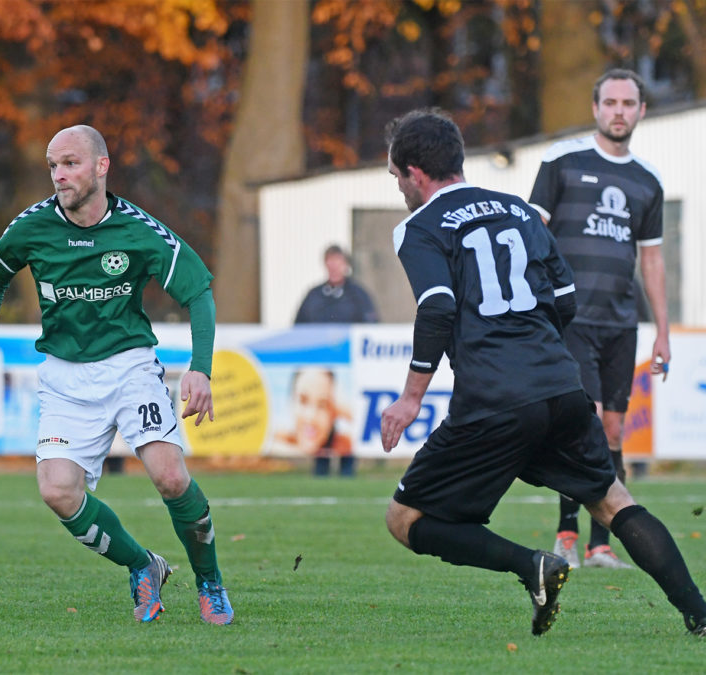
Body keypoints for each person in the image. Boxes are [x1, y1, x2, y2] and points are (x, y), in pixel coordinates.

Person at [380, 109, 706, 636]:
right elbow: (566, 297)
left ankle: (530, 565)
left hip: (493, 398)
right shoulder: (518, 210)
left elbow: (437, 306)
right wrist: (536, 349)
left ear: (416, 171)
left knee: (405, 519)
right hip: (560, 384)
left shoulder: (418, 226)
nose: (397, 187)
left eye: (396, 176)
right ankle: (701, 613)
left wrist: (411, 397)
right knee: (614, 501)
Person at [0, 125, 233, 625]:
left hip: (129, 366)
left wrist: (201, 369)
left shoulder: (138, 230)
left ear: (101, 166)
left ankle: (209, 582)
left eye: (70, 163)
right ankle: (142, 565)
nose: (59, 175)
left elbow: (198, 293)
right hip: (64, 376)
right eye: (52, 166)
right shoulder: (32, 226)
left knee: (170, 477)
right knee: (57, 491)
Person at [529, 68, 669, 570]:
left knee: (613, 430)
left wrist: (663, 334)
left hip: (621, 323)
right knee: (580, 424)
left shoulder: (647, 180)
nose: (618, 111)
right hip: (571, 318)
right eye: (610, 102)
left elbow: (651, 260)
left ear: (641, 111)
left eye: (628, 103)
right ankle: (567, 533)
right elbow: (532, 235)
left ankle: (600, 544)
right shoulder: (561, 161)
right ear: (595, 108)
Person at [272, 367, 355, 476]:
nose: (311, 417)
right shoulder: (278, 438)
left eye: (322, 405)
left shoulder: (345, 441)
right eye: (303, 401)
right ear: (290, 401)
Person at [294, 245, 379, 324]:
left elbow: (371, 326)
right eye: (330, 262)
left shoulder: (358, 296)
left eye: (338, 262)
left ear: (346, 265)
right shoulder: (313, 296)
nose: (334, 268)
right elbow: (298, 327)